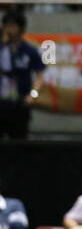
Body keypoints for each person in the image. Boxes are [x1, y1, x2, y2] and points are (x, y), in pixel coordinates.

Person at [0, 9, 44, 140]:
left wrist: (33, 95)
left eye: (13, 26)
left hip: (19, 103)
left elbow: (39, 76)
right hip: (1, 101)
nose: (9, 29)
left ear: (21, 28)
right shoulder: (2, 48)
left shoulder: (29, 51)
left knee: (19, 140)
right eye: (6, 25)